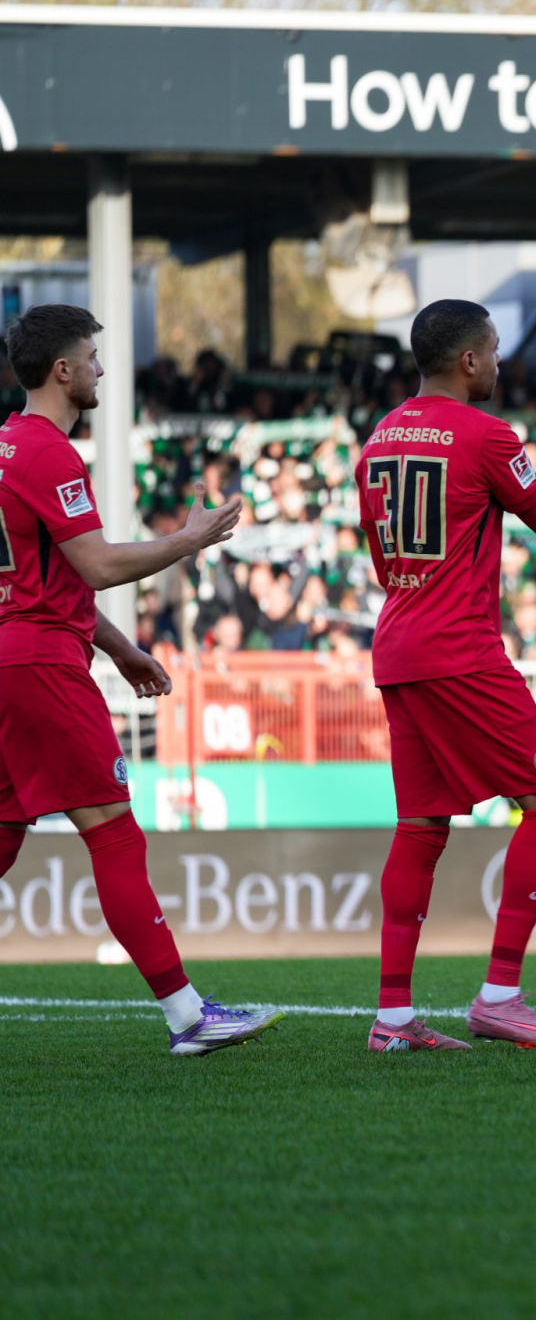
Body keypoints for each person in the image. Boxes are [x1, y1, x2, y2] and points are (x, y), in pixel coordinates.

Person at [0, 304, 279, 1055]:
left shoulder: (5, 445)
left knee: (2, 835)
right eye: (91, 357)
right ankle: (189, 1016)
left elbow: (47, 577)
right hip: (41, 666)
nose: (99, 369)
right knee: (114, 833)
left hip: (12, 654)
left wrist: (120, 648)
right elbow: (94, 565)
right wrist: (186, 540)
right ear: (62, 370)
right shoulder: (49, 453)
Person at [360, 299, 536, 1052]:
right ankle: (499, 996)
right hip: (459, 650)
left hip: (398, 645)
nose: (499, 363)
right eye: (494, 350)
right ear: (469, 360)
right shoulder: (487, 434)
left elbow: (381, 557)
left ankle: (393, 1017)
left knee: (420, 825)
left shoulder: (380, 437)